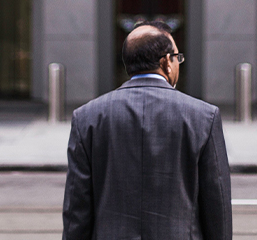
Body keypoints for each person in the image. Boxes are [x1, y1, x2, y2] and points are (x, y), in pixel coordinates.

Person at [62, 21, 232, 240]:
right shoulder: (203, 117)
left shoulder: (87, 117)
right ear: (166, 62)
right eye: (178, 57)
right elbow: (217, 207)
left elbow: (77, 210)